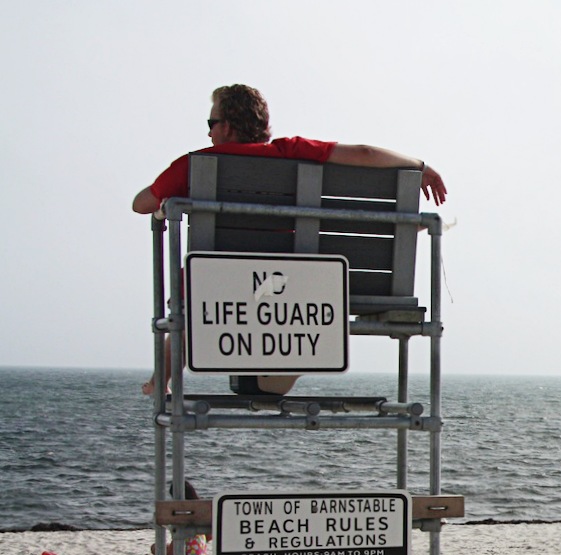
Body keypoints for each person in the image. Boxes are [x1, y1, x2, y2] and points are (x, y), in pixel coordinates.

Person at [134, 84, 448, 397]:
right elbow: (364, 153)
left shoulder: (194, 165)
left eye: (211, 124)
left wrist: (168, 201)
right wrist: (420, 166)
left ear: (227, 126)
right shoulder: (290, 152)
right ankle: (279, 369)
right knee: (273, 281)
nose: (208, 133)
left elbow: (141, 203)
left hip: (216, 287)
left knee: (200, 292)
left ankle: (163, 378)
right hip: (295, 285)